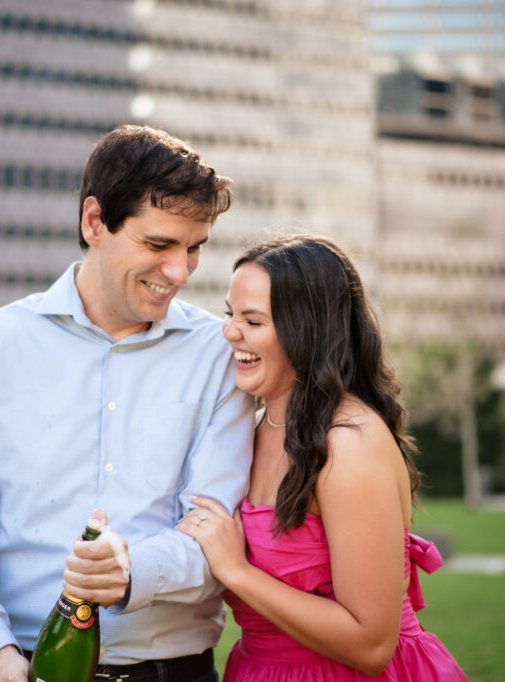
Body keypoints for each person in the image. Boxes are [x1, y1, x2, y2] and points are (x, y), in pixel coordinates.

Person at [0, 125, 255, 682]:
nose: (181, 272)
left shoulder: (220, 356)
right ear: (95, 222)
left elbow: (218, 529)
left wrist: (130, 572)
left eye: (194, 249)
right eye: (160, 245)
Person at [178, 234, 468, 681]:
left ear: (306, 331)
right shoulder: (250, 430)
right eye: (230, 314)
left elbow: (371, 643)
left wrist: (236, 570)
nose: (230, 332)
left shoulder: (348, 443)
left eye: (252, 321)